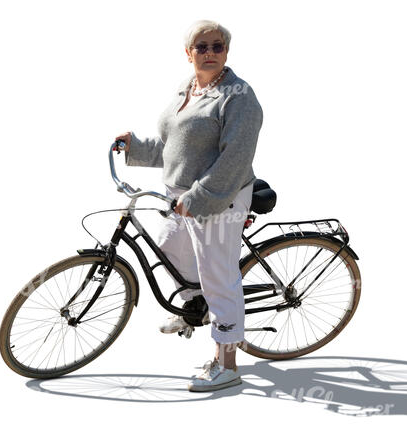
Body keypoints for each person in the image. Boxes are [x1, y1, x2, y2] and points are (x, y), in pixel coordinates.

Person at [114, 20, 263, 392]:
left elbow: (234, 160)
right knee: (168, 250)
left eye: (217, 46)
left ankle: (226, 363)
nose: (210, 53)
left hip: (218, 198)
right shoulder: (189, 87)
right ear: (189, 53)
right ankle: (193, 310)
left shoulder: (239, 96)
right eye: (202, 47)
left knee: (218, 276)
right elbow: (175, 145)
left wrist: (198, 198)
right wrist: (136, 147)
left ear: (226, 52)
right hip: (180, 196)